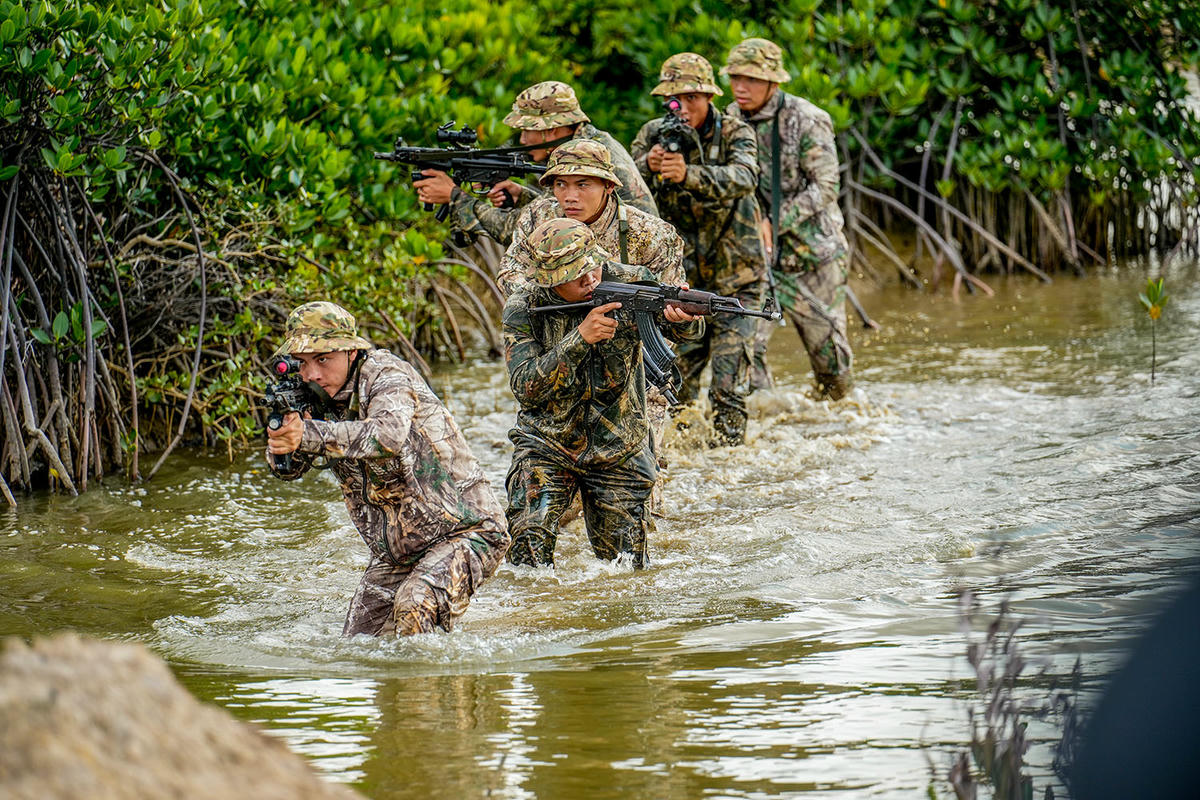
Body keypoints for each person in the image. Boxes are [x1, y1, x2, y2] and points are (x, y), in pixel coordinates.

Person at [265, 301, 509, 636]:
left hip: (468, 531)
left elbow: (387, 436)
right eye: (303, 363)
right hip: (398, 551)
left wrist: (309, 434)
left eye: (323, 359)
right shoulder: (311, 395)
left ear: (351, 352)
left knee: (415, 606)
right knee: (358, 643)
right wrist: (283, 441)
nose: (313, 373)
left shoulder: (385, 375)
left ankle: (439, 686)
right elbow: (290, 471)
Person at [496, 139, 686, 512]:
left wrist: (675, 317)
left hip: (635, 372)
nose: (570, 196)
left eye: (583, 185)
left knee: (641, 498)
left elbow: (669, 308)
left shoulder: (652, 234)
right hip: (562, 361)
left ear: (609, 187)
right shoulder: (537, 218)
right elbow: (510, 275)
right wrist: (566, 300)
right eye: (561, 184)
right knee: (550, 500)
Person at [502, 218, 702, 568]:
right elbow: (525, 387)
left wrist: (685, 319)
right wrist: (580, 338)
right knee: (526, 557)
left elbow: (683, 331)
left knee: (625, 573)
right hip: (547, 442)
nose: (590, 280)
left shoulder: (631, 281)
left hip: (619, 446)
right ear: (549, 281)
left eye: (592, 267)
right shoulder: (524, 307)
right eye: (574, 276)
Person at [630, 52, 767, 446]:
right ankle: (684, 465)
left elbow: (745, 176)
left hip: (738, 278)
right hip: (681, 283)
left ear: (709, 96)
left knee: (728, 389)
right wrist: (648, 165)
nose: (684, 107)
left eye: (693, 97)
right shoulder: (653, 134)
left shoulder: (735, 131)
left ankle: (731, 462)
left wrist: (690, 174)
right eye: (676, 99)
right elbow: (625, 186)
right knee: (674, 388)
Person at [722, 37, 853, 399]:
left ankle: (839, 417)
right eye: (734, 78)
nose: (740, 87)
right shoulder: (729, 119)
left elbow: (826, 186)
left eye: (750, 79)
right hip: (759, 259)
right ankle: (764, 421)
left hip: (815, 255)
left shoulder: (808, 119)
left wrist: (773, 220)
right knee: (747, 346)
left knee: (828, 357)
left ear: (773, 82)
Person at [413, 81, 657, 246]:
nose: (522, 139)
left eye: (527, 130)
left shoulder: (579, 159)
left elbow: (519, 231)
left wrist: (455, 196)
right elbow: (559, 213)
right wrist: (523, 196)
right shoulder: (592, 142)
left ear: (551, 130)